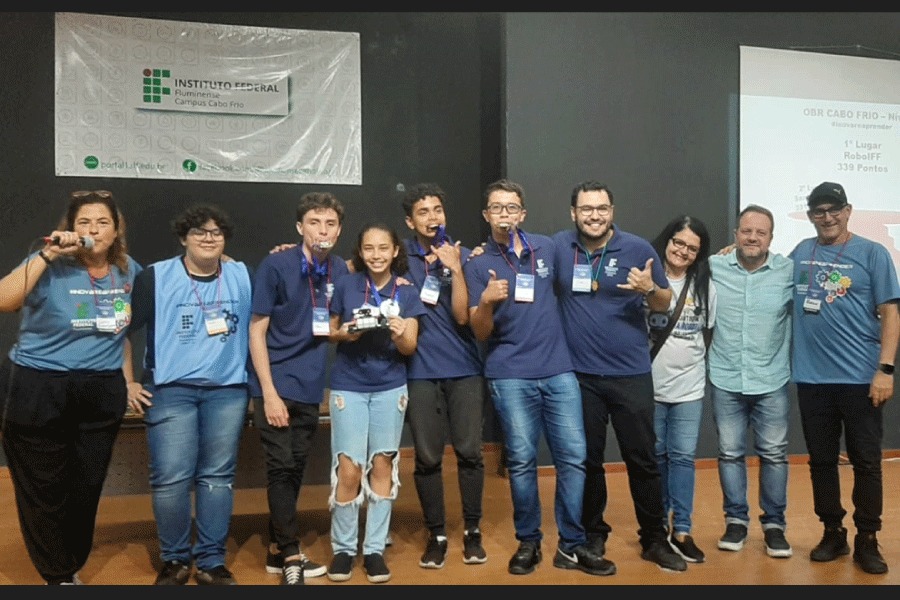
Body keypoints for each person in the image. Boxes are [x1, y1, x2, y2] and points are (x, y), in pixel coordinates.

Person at [463, 178, 614, 577]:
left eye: (511, 207)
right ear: (486, 215)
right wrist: (486, 302)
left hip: (559, 371)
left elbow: (592, 244)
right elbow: (479, 331)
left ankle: (571, 545)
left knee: (574, 459)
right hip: (510, 375)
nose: (504, 215)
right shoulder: (477, 264)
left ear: (522, 213)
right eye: (496, 208)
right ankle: (528, 541)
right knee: (523, 462)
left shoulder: (547, 246)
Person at [0, 190, 141, 585]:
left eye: (102, 223)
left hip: (100, 390)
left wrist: (127, 380)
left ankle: (67, 562)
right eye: (83, 222)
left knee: (86, 484)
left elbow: (122, 333)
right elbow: (4, 300)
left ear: (116, 231)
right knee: (44, 485)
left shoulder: (129, 270)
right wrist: (47, 255)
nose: (92, 230)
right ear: (70, 228)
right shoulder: (49, 265)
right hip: (39, 385)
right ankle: (58, 573)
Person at [550, 180, 686, 573]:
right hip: (580, 377)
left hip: (631, 374)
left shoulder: (638, 249)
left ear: (612, 211)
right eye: (587, 209)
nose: (595, 215)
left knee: (643, 459)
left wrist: (649, 289)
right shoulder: (560, 247)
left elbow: (664, 300)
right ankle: (594, 534)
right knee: (588, 460)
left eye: (602, 208)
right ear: (573, 213)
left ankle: (654, 539)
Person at [127, 204, 251, 586]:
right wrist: (129, 382)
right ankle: (176, 560)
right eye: (199, 232)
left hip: (227, 391)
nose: (209, 238)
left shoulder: (241, 274)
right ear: (183, 238)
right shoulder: (156, 277)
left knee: (217, 477)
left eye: (216, 232)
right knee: (171, 479)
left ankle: (212, 561)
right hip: (170, 391)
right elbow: (123, 331)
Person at [789, 181, 899, 575]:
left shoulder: (873, 253)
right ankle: (833, 531)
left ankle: (867, 538)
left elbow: (890, 313)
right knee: (821, 461)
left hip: (860, 379)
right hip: (812, 380)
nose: (827, 217)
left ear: (848, 210)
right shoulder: (802, 252)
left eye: (834, 209)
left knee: (867, 462)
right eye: (819, 210)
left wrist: (885, 369)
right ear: (810, 215)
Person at [248, 192, 347, 585]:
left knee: (295, 469)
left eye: (330, 224)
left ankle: (277, 547)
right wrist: (268, 393)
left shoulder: (339, 268)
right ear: (299, 227)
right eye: (314, 223)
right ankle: (291, 555)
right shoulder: (275, 264)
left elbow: (377, 270)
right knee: (280, 465)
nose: (322, 231)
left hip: (309, 385)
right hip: (274, 382)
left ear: (339, 230)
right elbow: (256, 331)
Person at [326, 222, 426, 584]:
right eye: (369, 248)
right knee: (350, 467)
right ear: (360, 252)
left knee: (382, 464)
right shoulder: (347, 284)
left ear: (395, 250)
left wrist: (399, 333)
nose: (377, 255)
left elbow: (410, 347)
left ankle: (373, 550)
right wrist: (354, 331)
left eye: (383, 248)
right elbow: (331, 333)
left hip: (389, 386)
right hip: (349, 385)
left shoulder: (407, 291)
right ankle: (342, 547)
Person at [400, 183, 488, 569]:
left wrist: (455, 268)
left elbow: (463, 316)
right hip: (420, 371)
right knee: (427, 457)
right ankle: (436, 533)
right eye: (423, 211)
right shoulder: (398, 256)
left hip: (465, 369)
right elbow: (352, 266)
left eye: (438, 209)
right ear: (410, 220)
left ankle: (471, 531)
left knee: (470, 452)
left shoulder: (465, 256)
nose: (432, 217)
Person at [707, 204, 794, 559]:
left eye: (761, 232)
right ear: (735, 235)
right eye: (746, 231)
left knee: (774, 455)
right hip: (725, 376)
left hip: (771, 379)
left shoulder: (789, 270)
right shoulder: (713, 267)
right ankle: (736, 522)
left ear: (771, 238)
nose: (753, 237)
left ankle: (774, 525)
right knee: (729, 454)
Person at [648, 215, 717, 564]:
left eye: (692, 248)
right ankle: (658, 528)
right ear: (667, 240)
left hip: (690, 387)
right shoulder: (647, 276)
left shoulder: (706, 286)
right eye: (678, 243)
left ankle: (683, 530)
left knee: (683, 458)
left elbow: (707, 334)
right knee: (656, 457)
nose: (683, 251)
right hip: (650, 387)